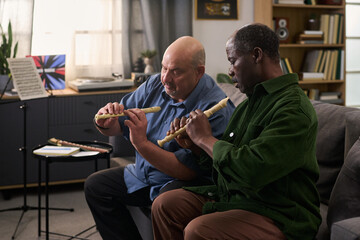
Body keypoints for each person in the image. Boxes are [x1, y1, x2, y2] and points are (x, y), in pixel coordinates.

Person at [151, 23, 322, 240]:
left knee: (198, 230)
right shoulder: (248, 105)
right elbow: (227, 166)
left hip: (278, 212)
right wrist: (195, 145)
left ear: (256, 55)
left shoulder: (294, 109)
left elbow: (252, 170)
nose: (230, 70)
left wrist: (205, 138)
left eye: (233, 61)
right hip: (235, 198)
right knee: (164, 204)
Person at [84, 36, 235, 240]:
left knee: (166, 203)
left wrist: (141, 143)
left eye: (176, 71)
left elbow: (187, 171)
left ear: (198, 72)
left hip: (182, 181)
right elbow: (116, 126)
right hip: (144, 174)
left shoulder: (214, 108)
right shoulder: (156, 83)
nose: (166, 78)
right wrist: (105, 123)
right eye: (164, 68)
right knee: (96, 187)